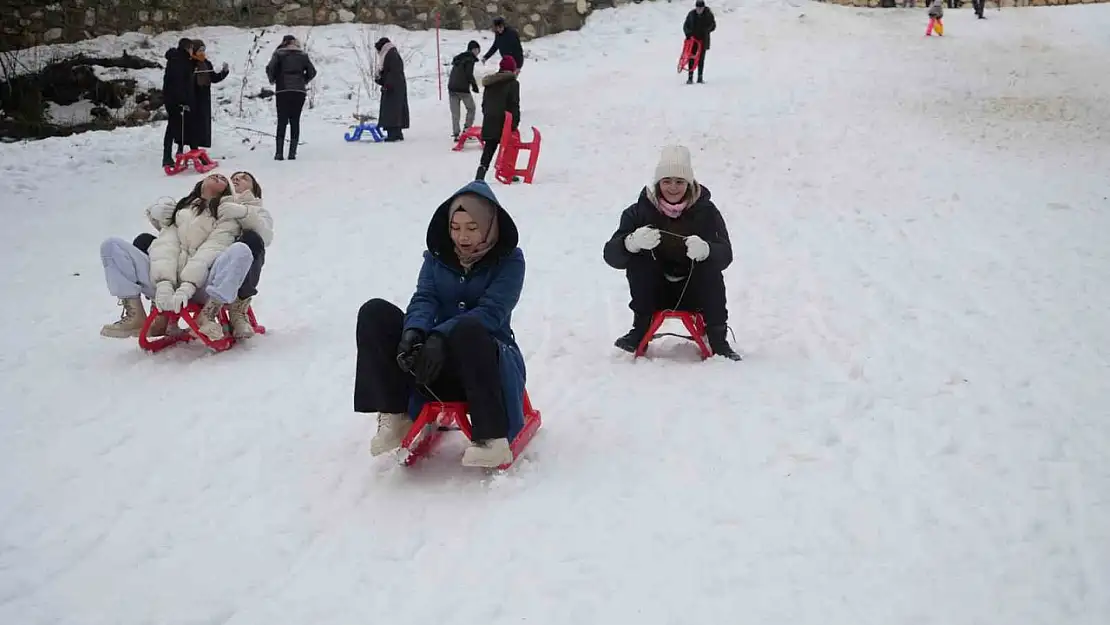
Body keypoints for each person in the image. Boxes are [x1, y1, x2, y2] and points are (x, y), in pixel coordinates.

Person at [354, 180, 527, 468]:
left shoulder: (510, 261)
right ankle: (395, 415)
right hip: (434, 365)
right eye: (455, 228)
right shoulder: (437, 258)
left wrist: (440, 337)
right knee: (375, 313)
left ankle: (492, 438)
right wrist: (414, 333)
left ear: (489, 225)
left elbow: (491, 312)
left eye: (472, 228)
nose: (463, 237)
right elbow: (425, 298)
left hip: (485, 363)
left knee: (470, 328)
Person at [602, 145, 741, 360]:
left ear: (689, 183)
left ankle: (718, 338)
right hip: (653, 293)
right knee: (640, 258)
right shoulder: (638, 212)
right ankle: (640, 329)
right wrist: (629, 243)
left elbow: (726, 255)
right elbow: (611, 255)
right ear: (658, 183)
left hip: (694, 292)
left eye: (680, 182)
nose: (673, 188)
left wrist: (707, 250)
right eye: (667, 181)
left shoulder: (707, 212)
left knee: (709, 267)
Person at [99, 174, 254, 342]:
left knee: (241, 251)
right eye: (213, 175)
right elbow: (166, 247)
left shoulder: (226, 215)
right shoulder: (180, 210)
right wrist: (164, 283)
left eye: (223, 179)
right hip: (165, 284)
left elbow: (212, 249)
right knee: (112, 245)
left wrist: (187, 286)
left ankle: (208, 314)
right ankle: (134, 313)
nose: (217, 176)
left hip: (203, 287)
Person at [266, 34, 317, 160]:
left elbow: (270, 68)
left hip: (283, 90)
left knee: (282, 121)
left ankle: (279, 153)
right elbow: (312, 72)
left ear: (284, 43)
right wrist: (302, 81)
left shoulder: (278, 54)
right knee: (295, 120)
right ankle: (292, 153)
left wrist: (273, 80)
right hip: (299, 91)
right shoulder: (303, 55)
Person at [475, 56, 520, 181]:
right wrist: (514, 123)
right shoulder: (513, 83)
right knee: (510, 145)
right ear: (512, 69)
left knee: (490, 147)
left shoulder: (490, 83)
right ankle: (507, 172)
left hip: (490, 119)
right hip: (505, 121)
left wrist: (488, 115)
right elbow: (514, 104)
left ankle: (481, 173)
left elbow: (484, 104)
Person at [184, 39, 228, 156]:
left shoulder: (206, 63)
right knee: (190, 123)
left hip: (203, 97)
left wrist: (224, 72)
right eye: (200, 50)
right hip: (192, 96)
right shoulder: (189, 63)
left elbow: (213, 78)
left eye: (203, 50)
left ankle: (197, 147)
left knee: (201, 123)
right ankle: (185, 146)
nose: (202, 53)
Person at [161, 38, 195, 168]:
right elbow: (180, 84)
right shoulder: (182, 62)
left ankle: (177, 152)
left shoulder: (175, 59)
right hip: (176, 100)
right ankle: (167, 156)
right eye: (191, 49)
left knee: (177, 125)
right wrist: (183, 101)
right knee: (173, 126)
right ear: (188, 48)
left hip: (170, 98)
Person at [373, 37, 410, 142]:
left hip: (393, 87)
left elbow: (394, 72)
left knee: (391, 111)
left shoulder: (391, 55)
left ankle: (393, 134)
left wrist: (387, 84)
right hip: (395, 86)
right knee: (395, 110)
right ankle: (397, 133)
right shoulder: (391, 53)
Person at [448, 40, 481, 141]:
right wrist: (474, 85)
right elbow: (468, 74)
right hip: (462, 89)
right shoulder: (469, 59)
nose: (478, 52)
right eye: (478, 50)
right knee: (471, 108)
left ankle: (456, 134)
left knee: (455, 113)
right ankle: (467, 129)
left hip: (452, 87)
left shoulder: (460, 58)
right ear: (474, 49)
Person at [682, 0, 716, 85]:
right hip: (693, 40)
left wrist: (707, 29)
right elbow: (685, 26)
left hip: (703, 40)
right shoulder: (691, 14)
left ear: (704, 8)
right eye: (698, 8)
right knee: (691, 58)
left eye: (701, 8)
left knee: (701, 59)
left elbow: (713, 25)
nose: (699, 10)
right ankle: (690, 77)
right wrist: (688, 34)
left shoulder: (708, 14)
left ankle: (700, 77)